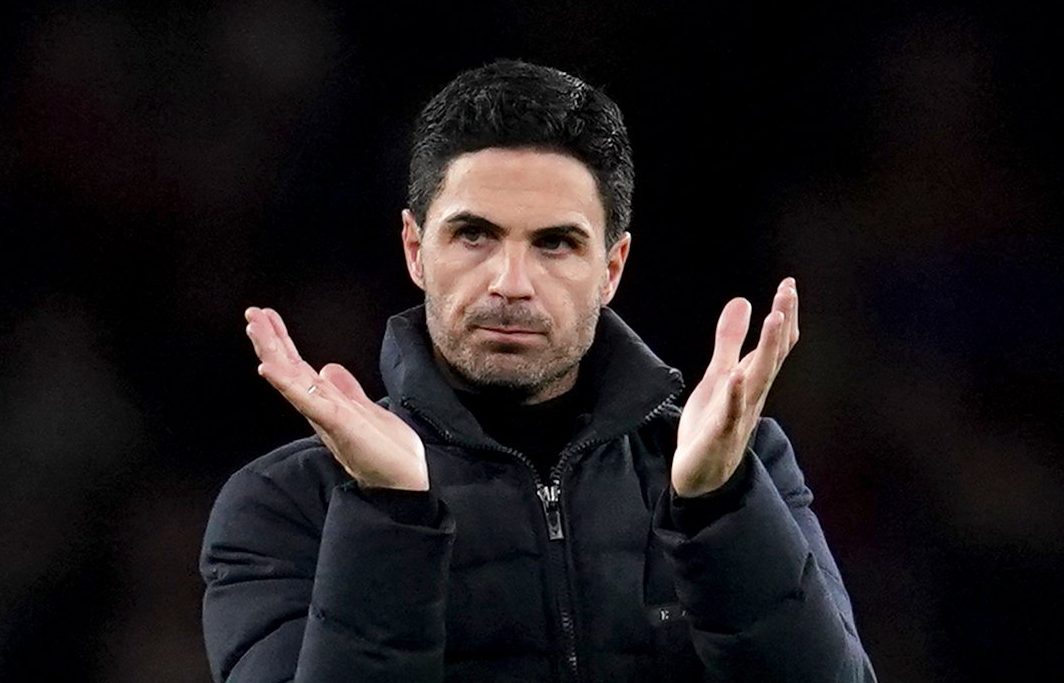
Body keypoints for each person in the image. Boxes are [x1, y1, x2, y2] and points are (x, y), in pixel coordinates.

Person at [200, 59, 877, 682]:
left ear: (611, 268)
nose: (511, 282)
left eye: (555, 242)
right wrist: (390, 513)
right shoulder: (285, 503)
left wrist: (717, 509)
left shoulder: (740, 467)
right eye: (475, 235)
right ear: (414, 249)